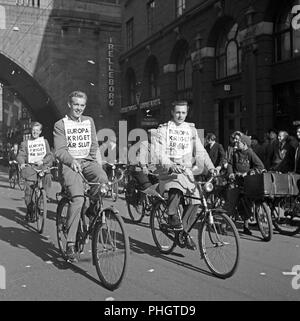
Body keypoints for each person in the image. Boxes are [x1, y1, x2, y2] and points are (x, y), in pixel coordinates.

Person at [53, 90, 108, 262]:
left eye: (82, 105)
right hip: (71, 166)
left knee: (103, 181)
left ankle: (92, 209)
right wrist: (71, 161)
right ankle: (70, 244)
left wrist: (101, 167)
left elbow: (94, 147)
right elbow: (60, 151)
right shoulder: (60, 124)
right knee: (77, 199)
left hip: (88, 162)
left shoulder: (89, 121)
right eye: (76, 104)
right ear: (69, 104)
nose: (79, 108)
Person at [154, 100, 215, 250]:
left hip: (186, 171)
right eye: (177, 112)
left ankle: (184, 233)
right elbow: (159, 152)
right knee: (176, 187)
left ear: (187, 113)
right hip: (169, 171)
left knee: (196, 201)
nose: (180, 115)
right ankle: (171, 214)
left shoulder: (191, 130)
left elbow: (200, 152)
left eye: (183, 112)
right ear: (172, 112)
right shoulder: (163, 130)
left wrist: (211, 167)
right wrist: (170, 165)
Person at [226, 132, 265, 235]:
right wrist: (230, 173)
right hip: (236, 180)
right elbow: (230, 164)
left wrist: (248, 173)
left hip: (247, 182)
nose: (237, 143)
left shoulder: (250, 153)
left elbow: (260, 166)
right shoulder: (235, 153)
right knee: (231, 199)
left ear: (244, 144)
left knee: (247, 204)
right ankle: (227, 223)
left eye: (239, 141)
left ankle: (246, 226)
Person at [17, 122, 53, 221]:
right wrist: (22, 163)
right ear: (31, 131)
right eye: (33, 130)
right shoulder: (25, 143)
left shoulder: (44, 142)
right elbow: (20, 155)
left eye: (37, 130)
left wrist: (43, 161)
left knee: (48, 177)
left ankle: (42, 199)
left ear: (40, 132)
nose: (35, 132)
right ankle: (30, 210)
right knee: (29, 191)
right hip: (31, 168)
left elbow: (50, 155)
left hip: (42, 166)